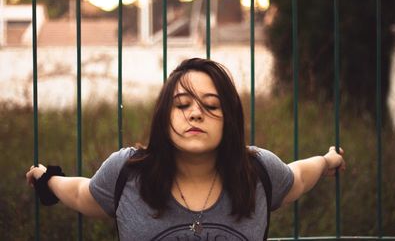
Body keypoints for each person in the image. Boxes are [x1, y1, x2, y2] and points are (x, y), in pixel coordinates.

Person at [26, 58, 345, 240]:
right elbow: (84, 193)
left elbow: (298, 176)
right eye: (182, 105)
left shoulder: (258, 171)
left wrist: (328, 160)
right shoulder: (126, 172)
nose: (195, 113)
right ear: (164, 116)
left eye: (211, 105)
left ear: (229, 120)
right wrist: (47, 179)